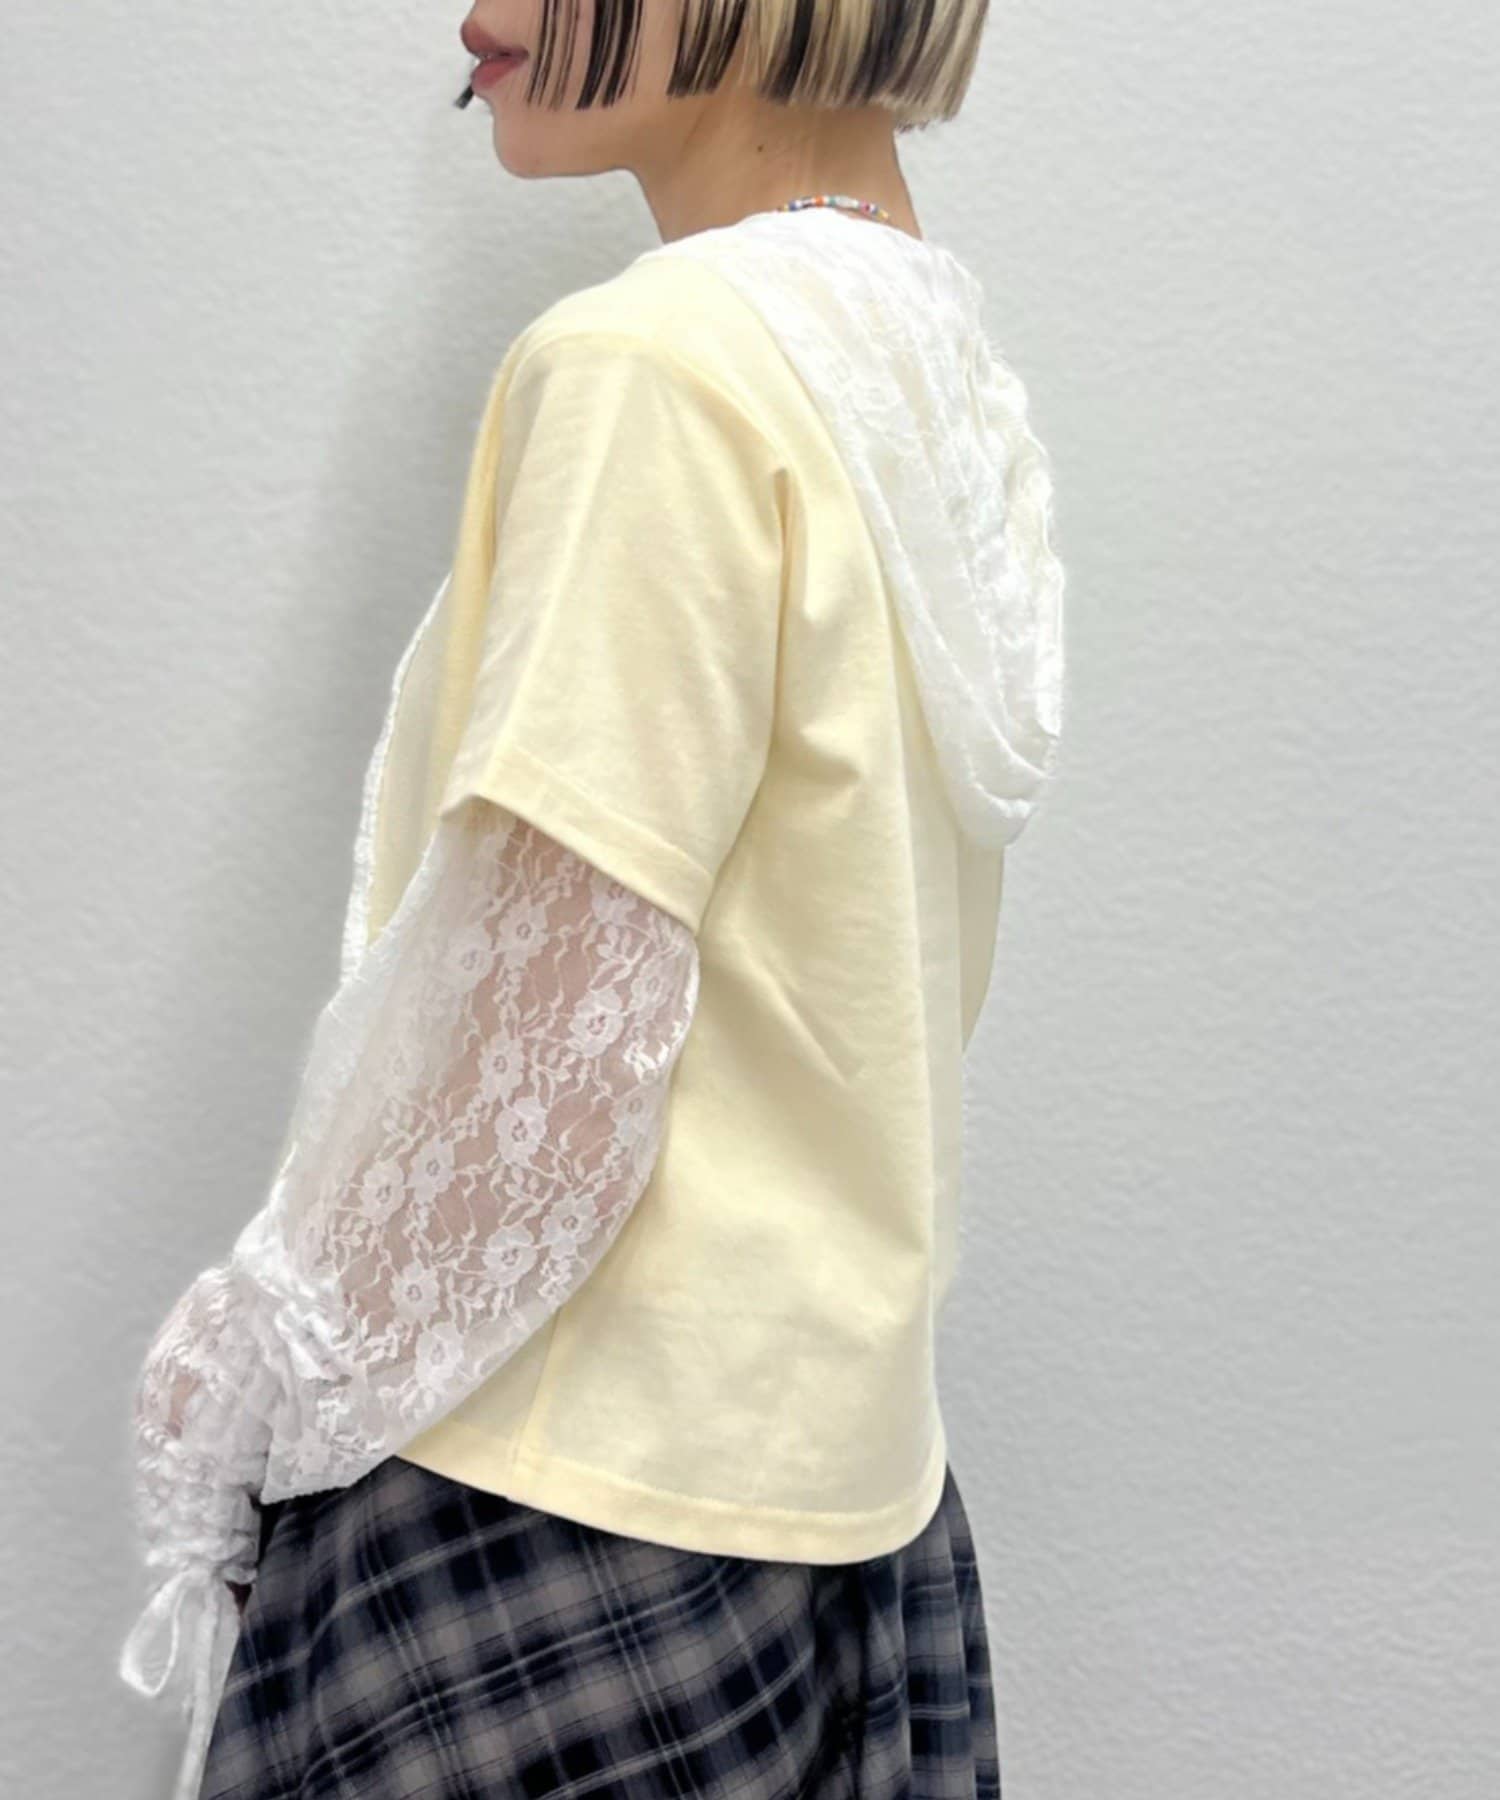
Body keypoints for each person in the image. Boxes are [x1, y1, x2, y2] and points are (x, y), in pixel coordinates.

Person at [117, 0, 1067, 1794]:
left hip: (554, 1509)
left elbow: (550, 1038)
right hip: (839, 1509)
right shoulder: (928, 363)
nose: (475, 15)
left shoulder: (660, 365)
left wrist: (258, 1365)